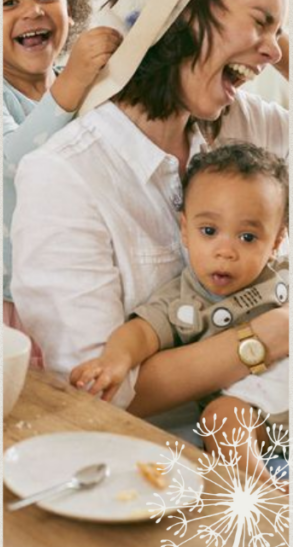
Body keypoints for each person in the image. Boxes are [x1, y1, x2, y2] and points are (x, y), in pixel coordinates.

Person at [11, 0, 289, 417]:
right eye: (262, 21)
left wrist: (274, 42)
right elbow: (98, 395)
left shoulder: (243, 123)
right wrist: (264, 339)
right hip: (148, 465)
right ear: (183, 11)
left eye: (280, 32)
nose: (274, 51)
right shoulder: (66, 176)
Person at [70, 142, 288, 487]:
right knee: (221, 418)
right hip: (255, 417)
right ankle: (266, 491)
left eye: (247, 237)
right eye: (209, 231)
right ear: (184, 230)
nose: (226, 251)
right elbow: (142, 332)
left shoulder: (283, 275)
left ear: (276, 242)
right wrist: (115, 359)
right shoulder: (185, 303)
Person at [2, 0, 121, 333]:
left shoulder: (83, 89)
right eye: (7, 2)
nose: (32, 10)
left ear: (71, 4)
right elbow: (12, 162)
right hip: (4, 301)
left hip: (67, 296)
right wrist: (71, 84)